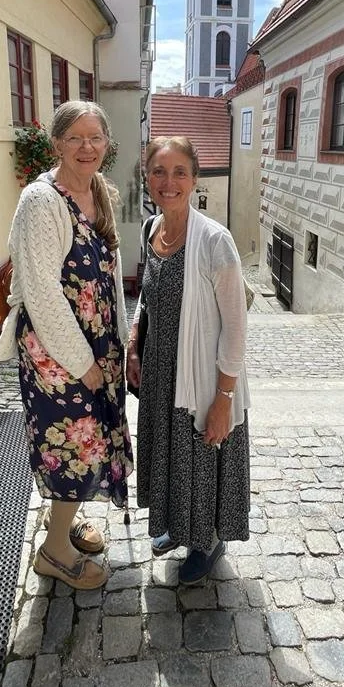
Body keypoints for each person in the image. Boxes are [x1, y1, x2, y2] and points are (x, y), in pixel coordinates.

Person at [0, 100, 133, 590]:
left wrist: (121, 342)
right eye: (75, 138)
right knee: (75, 445)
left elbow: (110, 276)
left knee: (84, 445)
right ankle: (54, 553)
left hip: (97, 347)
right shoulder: (42, 200)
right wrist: (83, 364)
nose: (86, 147)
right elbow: (42, 291)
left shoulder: (98, 191)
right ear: (56, 144)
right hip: (60, 354)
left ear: (107, 144)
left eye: (95, 138)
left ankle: (62, 527)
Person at [126, 136, 250, 585]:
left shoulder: (216, 241)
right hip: (160, 376)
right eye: (159, 171)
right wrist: (135, 343)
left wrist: (223, 399)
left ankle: (207, 541)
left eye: (180, 172)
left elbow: (236, 329)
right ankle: (179, 527)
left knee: (200, 460)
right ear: (147, 177)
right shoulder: (149, 230)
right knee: (169, 457)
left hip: (201, 379)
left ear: (195, 180)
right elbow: (146, 295)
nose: (169, 181)